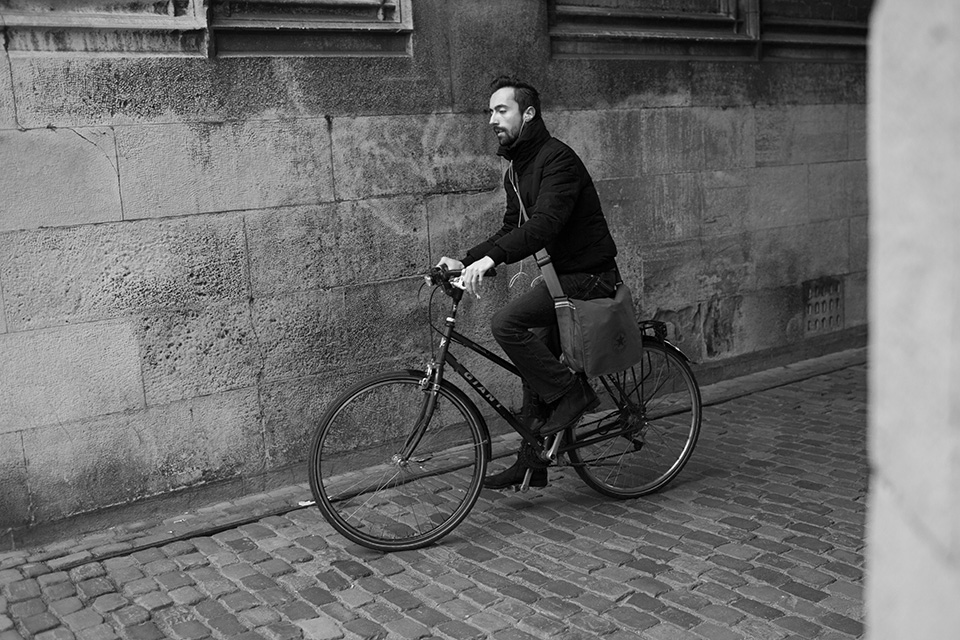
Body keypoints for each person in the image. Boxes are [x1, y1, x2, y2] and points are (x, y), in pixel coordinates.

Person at [437, 76, 620, 490]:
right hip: (561, 281)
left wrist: (490, 260)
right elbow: (510, 228)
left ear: (529, 113)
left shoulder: (559, 161)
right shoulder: (517, 171)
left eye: (501, 110)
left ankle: (574, 395)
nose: (491, 119)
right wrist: (465, 260)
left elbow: (544, 225)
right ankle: (532, 461)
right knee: (532, 366)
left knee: (507, 324)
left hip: (589, 276)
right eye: (490, 112)